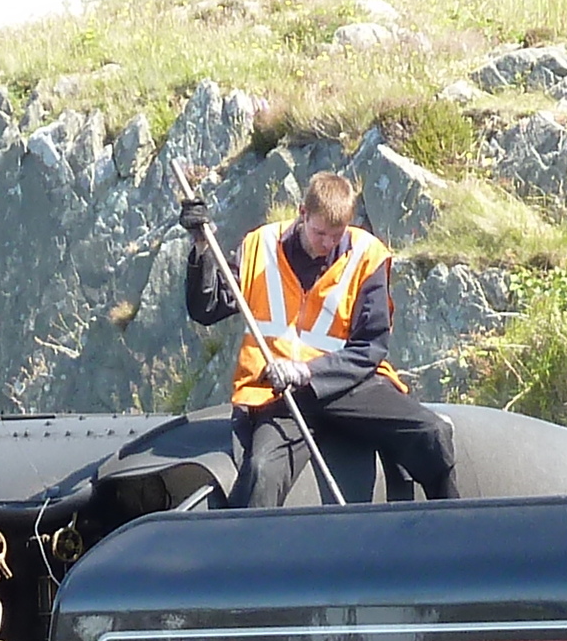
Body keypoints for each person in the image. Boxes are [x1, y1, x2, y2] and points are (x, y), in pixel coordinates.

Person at [180, 170, 459, 508]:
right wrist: (200, 247)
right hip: (279, 392)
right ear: (302, 214)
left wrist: (309, 372)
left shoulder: (366, 256)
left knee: (432, 434)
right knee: (261, 471)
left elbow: (370, 347)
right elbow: (205, 308)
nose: (327, 243)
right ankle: (249, 550)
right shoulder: (260, 246)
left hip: (348, 385)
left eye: (335, 235)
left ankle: (448, 522)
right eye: (319, 233)